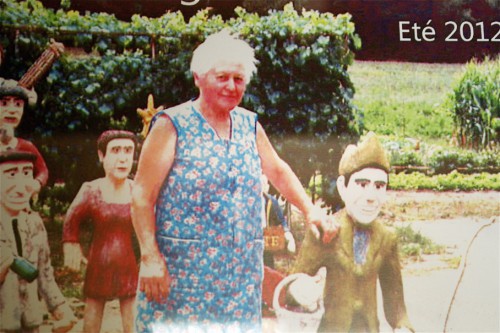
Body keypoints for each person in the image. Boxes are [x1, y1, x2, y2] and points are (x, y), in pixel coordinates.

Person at [131, 30, 336, 332]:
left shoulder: (248, 124)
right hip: (181, 276)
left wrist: (309, 209)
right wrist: (149, 257)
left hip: (240, 278)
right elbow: (141, 195)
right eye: (222, 77)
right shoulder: (171, 126)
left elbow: (277, 170)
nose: (231, 86)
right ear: (199, 77)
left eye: (238, 79)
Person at [291, 132, 414, 332]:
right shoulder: (327, 231)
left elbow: (396, 306)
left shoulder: (387, 238)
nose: (370, 196)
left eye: (379, 186)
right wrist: (301, 290)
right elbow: (291, 287)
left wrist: (403, 327)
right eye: (362, 184)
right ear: (343, 187)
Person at [62, 130, 138, 333]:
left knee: (132, 316)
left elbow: (150, 221)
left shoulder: (136, 190)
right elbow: (72, 217)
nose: (122, 158)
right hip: (98, 262)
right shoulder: (91, 190)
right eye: (115, 151)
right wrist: (71, 243)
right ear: (101, 155)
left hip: (128, 264)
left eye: (128, 151)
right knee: (93, 312)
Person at [0, 150, 76, 333]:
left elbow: (45, 276)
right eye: (10, 175)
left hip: (31, 323)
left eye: (26, 173)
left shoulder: (35, 224)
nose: (21, 187)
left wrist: (61, 310)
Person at [0, 78, 48, 191]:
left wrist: (36, 184)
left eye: (18, 104)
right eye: (4, 103)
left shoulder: (26, 146)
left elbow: (42, 171)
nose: (12, 110)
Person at [262, 174, 296, 269]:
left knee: (268, 267)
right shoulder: (248, 203)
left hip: (266, 239)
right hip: (251, 242)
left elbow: (281, 220)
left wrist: (288, 235)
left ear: (267, 187)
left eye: (263, 184)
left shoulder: (271, 202)